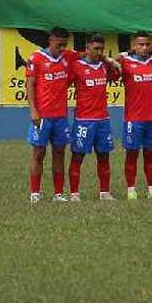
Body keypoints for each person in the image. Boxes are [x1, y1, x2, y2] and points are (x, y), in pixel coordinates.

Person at [67, 33, 120, 202]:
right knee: (77, 157)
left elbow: (117, 75)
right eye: (95, 48)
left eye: (101, 49)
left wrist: (112, 62)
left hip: (103, 120)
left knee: (104, 156)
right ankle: (74, 193)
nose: (98, 52)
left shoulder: (105, 66)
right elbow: (63, 84)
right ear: (87, 47)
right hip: (83, 120)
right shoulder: (76, 66)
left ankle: (104, 192)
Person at [117, 32, 152, 200]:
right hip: (133, 118)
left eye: (147, 44)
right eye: (140, 44)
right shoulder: (125, 63)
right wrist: (125, 53)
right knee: (132, 154)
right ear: (134, 46)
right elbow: (111, 65)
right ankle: (131, 190)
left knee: (151, 155)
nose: (144, 48)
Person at [26, 27, 75, 202]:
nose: (61, 48)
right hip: (42, 115)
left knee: (59, 153)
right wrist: (33, 110)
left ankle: (58, 193)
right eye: (59, 44)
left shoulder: (68, 57)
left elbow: (90, 55)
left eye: (64, 45)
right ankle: (35, 193)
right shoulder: (36, 58)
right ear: (51, 40)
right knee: (39, 152)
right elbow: (30, 85)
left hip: (60, 116)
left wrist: (110, 60)